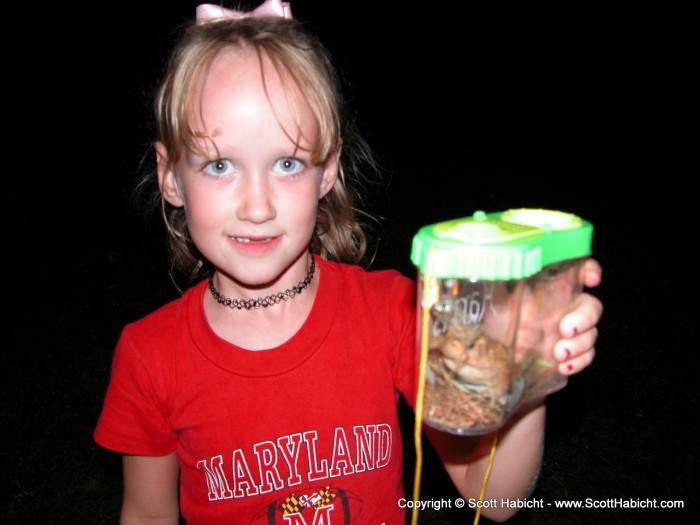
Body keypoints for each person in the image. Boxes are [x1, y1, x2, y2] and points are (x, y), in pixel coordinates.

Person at [94, 1, 603, 523]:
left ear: (328, 170)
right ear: (171, 176)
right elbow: (146, 515)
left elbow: (491, 499)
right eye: (220, 165)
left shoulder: (392, 311)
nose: (257, 205)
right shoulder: (150, 356)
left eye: (287, 163)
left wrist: (525, 368)